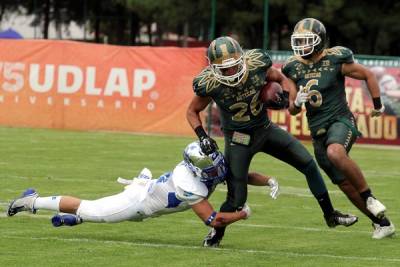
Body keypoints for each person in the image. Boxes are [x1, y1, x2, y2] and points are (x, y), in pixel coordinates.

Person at [186, 36, 358, 247]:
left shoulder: (256, 64)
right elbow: (192, 111)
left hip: (265, 130)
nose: (231, 72)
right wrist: (202, 136)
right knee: (236, 200)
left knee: (308, 164)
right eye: (224, 69)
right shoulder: (209, 83)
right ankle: (217, 233)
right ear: (213, 68)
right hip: (238, 140)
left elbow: (279, 77)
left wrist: (285, 97)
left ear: (242, 59)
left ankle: (330, 215)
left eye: (234, 66)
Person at [283, 17, 395, 239]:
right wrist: (296, 103)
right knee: (344, 184)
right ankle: (382, 223)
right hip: (317, 131)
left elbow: (368, 74)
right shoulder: (292, 67)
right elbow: (292, 110)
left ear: (319, 41)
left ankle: (370, 197)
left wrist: (378, 105)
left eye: (307, 40)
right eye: (299, 40)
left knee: (336, 152)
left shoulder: (335, 59)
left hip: (341, 120)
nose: (301, 45)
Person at [7, 141, 279, 230]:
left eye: (215, 161)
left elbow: (240, 174)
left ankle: (72, 218)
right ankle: (31, 200)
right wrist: (243, 214)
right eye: (208, 167)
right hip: (138, 202)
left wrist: (268, 180)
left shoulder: (207, 165)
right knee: (91, 209)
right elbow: (213, 218)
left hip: (148, 194)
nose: (216, 169)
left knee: (100, 214)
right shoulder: (189, 183)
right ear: (196, 168)